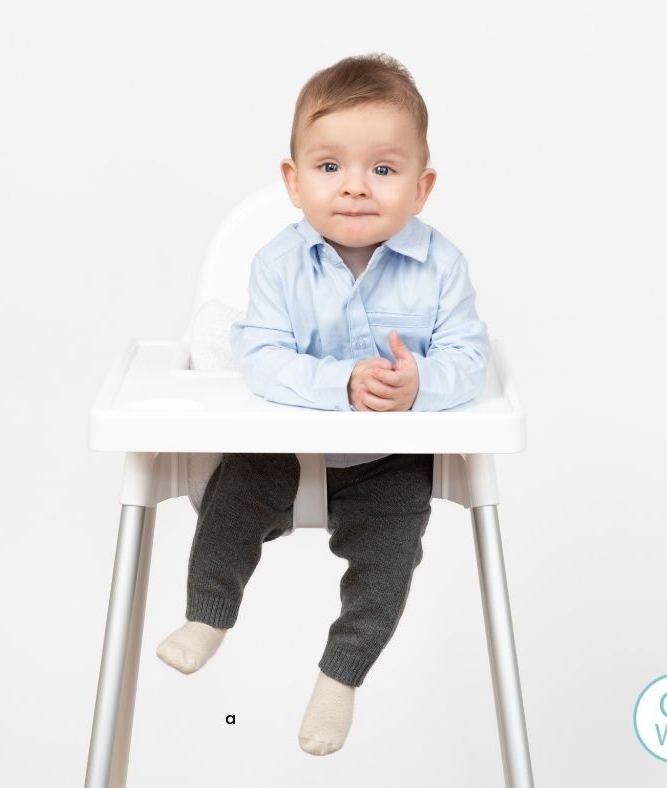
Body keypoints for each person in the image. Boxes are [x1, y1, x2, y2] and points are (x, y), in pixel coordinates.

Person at [156, 52, 491, 756]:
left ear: (422, 187)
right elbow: (263, 358)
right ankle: (208, 614)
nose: (356, 188)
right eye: (330, 166)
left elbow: (469, 358)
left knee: (394, 552)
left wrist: (419, 385)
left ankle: (340, 677)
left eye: (384, 169)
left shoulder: (442, 268)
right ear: (294, 180)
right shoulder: (279, 263)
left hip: (386, 456)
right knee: (234, 495)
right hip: (288, 442)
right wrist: (340, 384)